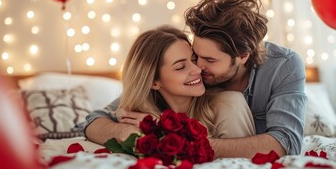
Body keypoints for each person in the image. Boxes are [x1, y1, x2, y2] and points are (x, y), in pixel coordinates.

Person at [183, 0, 307, 158]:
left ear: (242, 56)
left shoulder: (284, 66)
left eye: (210, 59)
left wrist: (193, 145)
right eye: (196, 55)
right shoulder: (192, 69)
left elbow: (285, 145)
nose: (198, 66)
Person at [84, 25, 255, 145]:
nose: (197, 69)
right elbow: (90, 122)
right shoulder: (142, 110)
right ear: (153, 82)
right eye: (180, 66)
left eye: (193, 59)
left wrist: (165, 132)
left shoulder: (229, 104)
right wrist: (129, 133)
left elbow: (241, 164)